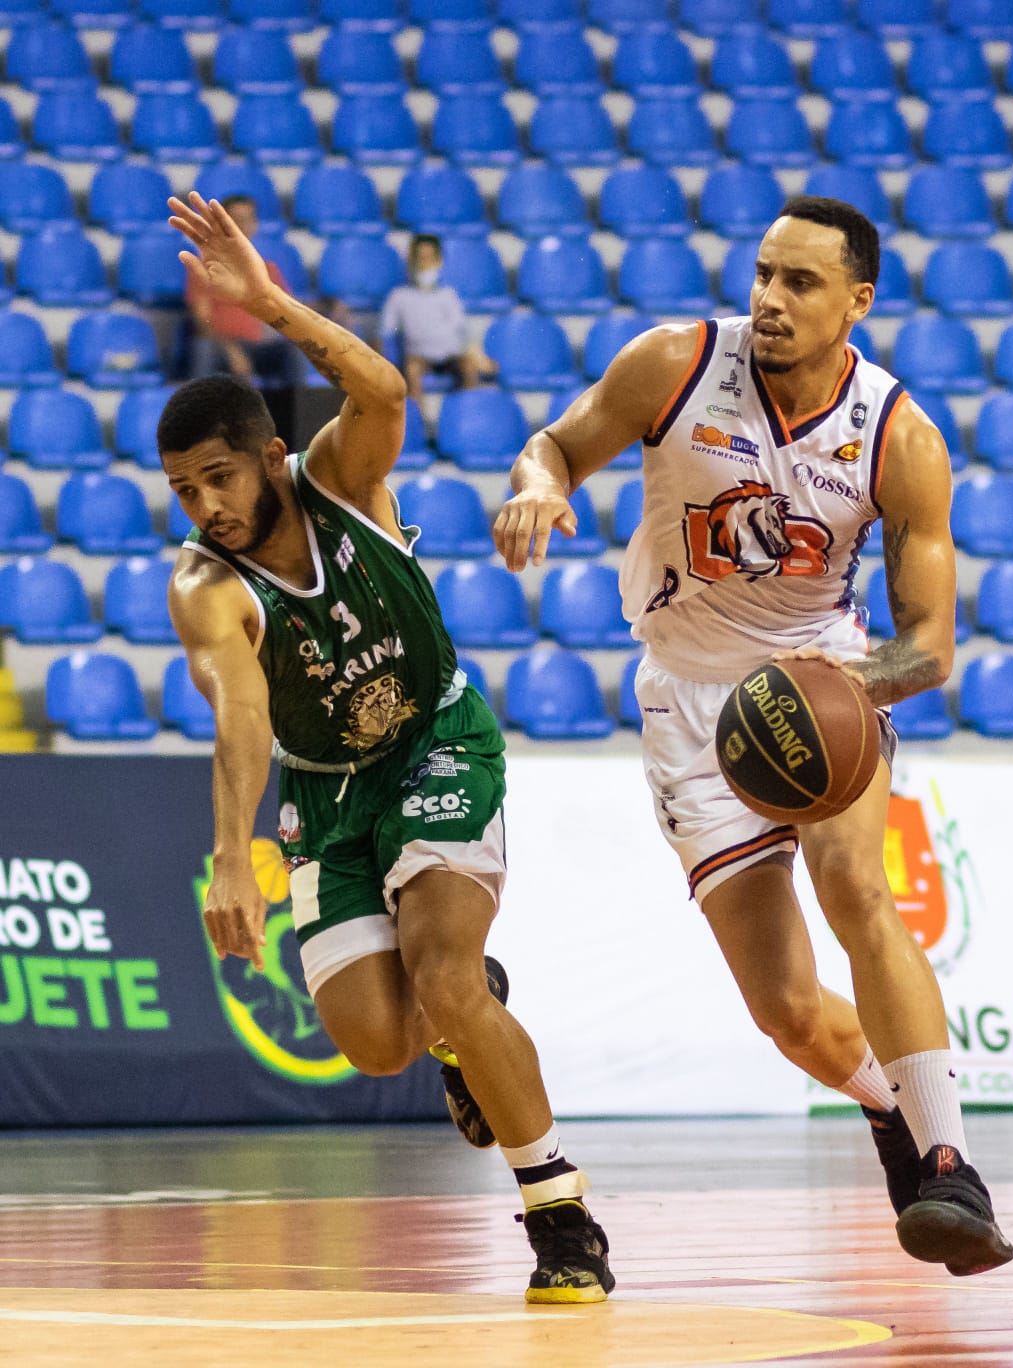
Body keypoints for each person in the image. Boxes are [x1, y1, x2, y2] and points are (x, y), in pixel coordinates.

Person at [494, 196, 1013, 1279]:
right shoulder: (674, 365)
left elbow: (928, 649)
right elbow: (557, 445)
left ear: (856, 301)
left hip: (818, 678)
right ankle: (887, 1108)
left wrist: (850, 684)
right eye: (764, 274)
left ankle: (950, 1164)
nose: (771, 299)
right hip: (686, 701)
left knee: (856, 889)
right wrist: (539, 488)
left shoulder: (898, 437)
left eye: (800, 282)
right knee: (785, 1012)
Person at [160, 190, 614, 1305]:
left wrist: (269, 304)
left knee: (443, 974)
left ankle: (560, 1218)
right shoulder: (205, 585)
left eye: (220, 477)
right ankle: (464, 1025)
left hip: (433, 743)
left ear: (270, 456)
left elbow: (385, 389)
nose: (206, 505)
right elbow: (241, 715)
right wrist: (229, 857)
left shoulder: (340, 477)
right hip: (325, 794)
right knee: (373, 1042)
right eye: (184, 490)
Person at [185, 193, 305, 388]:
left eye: (247, 220)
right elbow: (202, 322)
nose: (242, 226)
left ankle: (296, 407)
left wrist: (328, 304)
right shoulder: (204, 268)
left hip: (258, 347)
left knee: (293, 350)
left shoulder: (267, 269)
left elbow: (290, 309)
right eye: (235, 220)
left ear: (255, 225)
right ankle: (198, 405)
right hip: (221, 347)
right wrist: (232, 350)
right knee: (204, 348)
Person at [379, 233, 492, 404]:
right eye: (420, 258)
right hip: (419, 357)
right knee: (412, 369)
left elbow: (463, 331)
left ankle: (467, 412)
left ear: (439, 262)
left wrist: (478, 357)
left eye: (429, 258)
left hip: (450, 356)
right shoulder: (399, 296)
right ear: (411, 261)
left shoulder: (448, 295)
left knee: (469, 368)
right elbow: (384, 333)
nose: (424, 264)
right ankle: (419, 416)